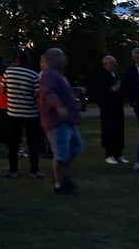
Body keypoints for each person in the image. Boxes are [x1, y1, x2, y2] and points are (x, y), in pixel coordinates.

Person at [38, 47, 82, 195]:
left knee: (76, 148)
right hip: (56, 121)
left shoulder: (59, 74)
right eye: (62, 56)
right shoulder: (49, 74)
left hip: (68, 121)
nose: (65, 59)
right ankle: (59, 185)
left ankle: (64, 176)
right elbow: (48, 92)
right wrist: (59, 107)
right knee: (61, 154)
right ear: (53, 59)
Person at [4, 51, 43, 179]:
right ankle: (34, 171)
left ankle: (13, 170)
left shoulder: (8, 72)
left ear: (17, 60)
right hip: (30, 114)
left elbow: (2, 89)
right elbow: (37, 95)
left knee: (13, 143)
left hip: (13, 112)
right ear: (28, 61)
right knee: (32, 142)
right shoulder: (33, 75)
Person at [95, 55, 127, 164]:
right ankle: (109, 154)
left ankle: (119, 153)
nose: (114, 64)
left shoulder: (116, 75)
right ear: (105, 64)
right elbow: (99, 92)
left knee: (118, 130)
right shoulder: (101, 76)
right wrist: (110, 90)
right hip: (107, 108)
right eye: (112, 63)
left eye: (114, 62)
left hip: (117, 107)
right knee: (109, 130)